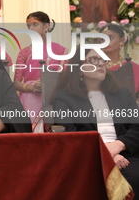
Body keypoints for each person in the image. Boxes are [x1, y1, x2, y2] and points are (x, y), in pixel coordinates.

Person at [53, 48, 139, 197]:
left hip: (126, 153)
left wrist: (118, 146)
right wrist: (107, 154)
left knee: (134, 177)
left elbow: (136, 127)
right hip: (88, 155)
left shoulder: (123, 94)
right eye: (93, 59)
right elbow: (70, 134)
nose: (100, 64)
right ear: (79, 69)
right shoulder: (65, 98)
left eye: (102, 59)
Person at [14, 11, 67, 132]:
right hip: (29, 100)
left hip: (53, 99)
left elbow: (66, 79)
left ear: (46, 26)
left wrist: (48, 85)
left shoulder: (61, 51)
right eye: (28, 26)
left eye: (35, 24)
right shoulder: (25, 53)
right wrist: (31, 88)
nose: (31, 29)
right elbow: (16, 83)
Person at [100, 23, 139, 102]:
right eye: (102, 39)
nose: (105, 42)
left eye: (110, 38)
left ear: (122, 40)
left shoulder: (134, 68)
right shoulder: (95, 67)